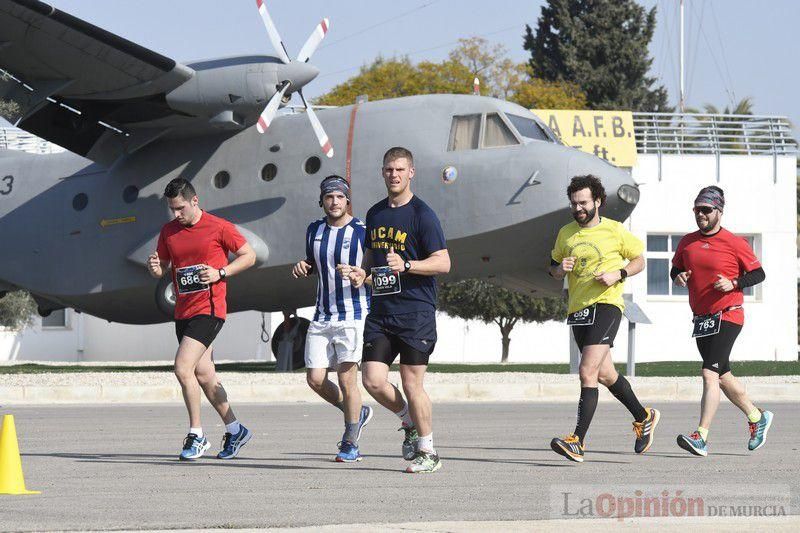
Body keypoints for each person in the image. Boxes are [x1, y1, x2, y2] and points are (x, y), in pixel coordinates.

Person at [338, 147, 450, 473]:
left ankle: (429, 451)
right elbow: (371, 261)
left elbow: (443, 262)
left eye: (400, 169)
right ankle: (408, 421)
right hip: (381, 311)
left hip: (416, 312)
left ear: (411, 172)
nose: (394, 175)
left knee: (412, 383)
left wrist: (408, 264)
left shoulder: (422, 215)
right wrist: (362, 274)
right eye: (389, 170)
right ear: (382, 172)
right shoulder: (374, 214)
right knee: (372, 380)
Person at [549, 175, 660, 463]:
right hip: (578, 309)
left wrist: (618, 273)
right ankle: (643, 416)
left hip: (607, 305)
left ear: (597, 201)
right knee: (606, 374)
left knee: (587, 372)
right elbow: (553, 269)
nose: (579, 208)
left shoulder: (615, 231)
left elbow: (639, 260)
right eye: (574, 203)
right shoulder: (566, 234)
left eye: (584, 202)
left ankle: (577, 441)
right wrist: (561, 269)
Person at [147, 178, 256, 460]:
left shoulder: (218, 227)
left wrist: (221, 273)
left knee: (183, 368)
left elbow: (249, 255)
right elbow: (162, 269)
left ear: (195, 201)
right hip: (183, 311)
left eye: (180, 208)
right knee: (205, 374)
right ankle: (235, 429)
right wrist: (156, 268)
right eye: (172, 209)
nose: (176, 214)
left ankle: (197, 435)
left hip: (209, 309)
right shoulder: (168, 231)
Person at [672, 186, 772, 456]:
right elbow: (676, 268)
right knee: (722, 375)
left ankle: (700, 436)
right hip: (702, 319)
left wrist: (734, 282)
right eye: (697, 209)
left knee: (709, 373)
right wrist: (677, 276)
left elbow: (759, 274)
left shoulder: (735, 242)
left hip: (729, 314)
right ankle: (756, 417)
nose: (701, 214)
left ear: (719, 211)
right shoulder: (687, 242)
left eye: (706, 210)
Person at [291, 175, 373, 462]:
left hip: (354, 315)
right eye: (329, 197)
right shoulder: (314, 230)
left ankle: (350, 441)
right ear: (322, 201)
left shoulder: (364, 231)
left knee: (347, 378)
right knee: (314, 379)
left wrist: (360, 275)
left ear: (347, 200)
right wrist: (304, 266)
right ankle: (357, 413)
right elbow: (314, 262)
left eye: (339, 197)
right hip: (322, 315)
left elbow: (375, 272)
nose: (334, 202)